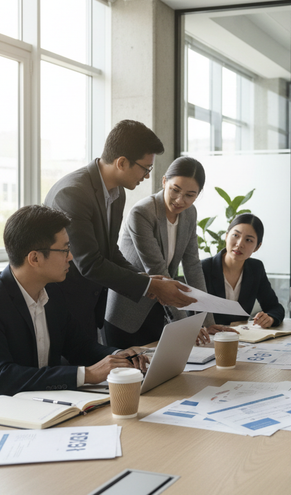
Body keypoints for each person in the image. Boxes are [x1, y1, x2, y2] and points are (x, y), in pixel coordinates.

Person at [0, 206, 149, 413]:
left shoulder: (53, 293)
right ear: (35, 258)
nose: (70, 257)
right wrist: (88, 374)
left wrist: (119, 356)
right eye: (65, 249)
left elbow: (80, 347)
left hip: (37, 407)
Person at [44, 120, 195, 343]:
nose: (146, 176)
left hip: (89, 303)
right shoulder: (73, 193)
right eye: (146, 168)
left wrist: (145, 279)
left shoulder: (116, 193)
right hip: (63, 303)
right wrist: (150, 285)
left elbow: (109, 251)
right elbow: (89, 262)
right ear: (122, 163)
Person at [104, 156, 223, 347]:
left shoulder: (190, 214)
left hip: (160, 313)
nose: (180, 200)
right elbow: (158, 271)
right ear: (164, 181)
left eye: (190, 195)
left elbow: (192, 266)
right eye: (175, 190)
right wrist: (185, 324)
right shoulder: (142, 213)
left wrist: (207, 321)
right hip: (128, 314)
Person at [201, 214, 285, 328]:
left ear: (257, 247)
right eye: (235, 235)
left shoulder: (256, 268)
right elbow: (190, 312)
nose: (239, 244)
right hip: (208, 338)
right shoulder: (204, 267)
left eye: (249, 240)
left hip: (242, 339)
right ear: (226, 236)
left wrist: (270, 318)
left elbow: (275, 307)